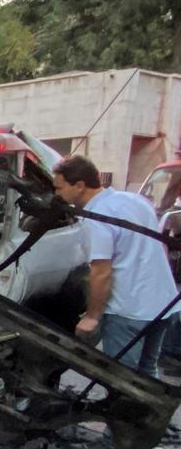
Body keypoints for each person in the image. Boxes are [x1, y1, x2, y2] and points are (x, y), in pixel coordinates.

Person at [53, 155, 180, 378]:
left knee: (123, 379)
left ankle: (128, 413)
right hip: (162, 302)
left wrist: (92, 316)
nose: (57, 194)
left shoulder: (97, 218)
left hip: (129, 310)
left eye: (60, 188)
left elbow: (101, 272)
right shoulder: (135, 200)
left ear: (80, 185)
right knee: (147, 373)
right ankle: (149, 413)